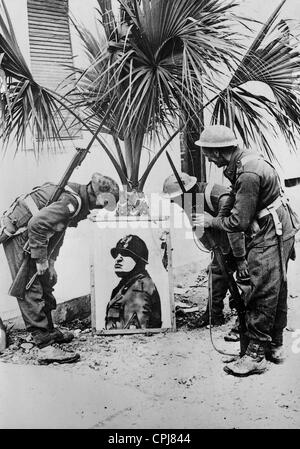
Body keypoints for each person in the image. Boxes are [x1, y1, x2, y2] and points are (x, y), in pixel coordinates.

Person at [194, 124, 299, 376]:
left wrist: (211, 221)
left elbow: (239, 222)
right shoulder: (244, 160)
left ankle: (255, 355)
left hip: (271, 230)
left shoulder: (247, 173)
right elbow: (236, 198)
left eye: (208, 152)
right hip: (278, 225)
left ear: (219, 152)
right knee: (277, 285)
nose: (207, 157)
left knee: (261, 288)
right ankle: (274, 346)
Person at [0, 172, 119, 364]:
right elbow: (36, 225)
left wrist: (51, 261)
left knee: (45, 281)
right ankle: (44, 346)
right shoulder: (72, 202)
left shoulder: (76, 199)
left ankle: (49, 331)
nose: (102, 207)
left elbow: (57, 230)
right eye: (104, 203)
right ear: (98, 197)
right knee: (31, 287)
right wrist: (40, 259)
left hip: (34, 237)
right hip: (22, 235)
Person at [162, 173, 248, 332]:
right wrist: (216, 249)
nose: (174, 203)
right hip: (224, 242)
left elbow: (236, 228)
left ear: (186, 192)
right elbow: (199, 230)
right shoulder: (190, 201)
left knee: (247, 277)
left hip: (245, 240)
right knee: (216, 272)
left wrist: (241, 259)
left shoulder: (216, 196)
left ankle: (247, 317)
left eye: (175, 199)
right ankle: (214, 315)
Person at [105, 234, 162, 330]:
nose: (118, 258)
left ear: (139, 261)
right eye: (117, 254)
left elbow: (136, 334)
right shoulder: (128, 286)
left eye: (125, 254)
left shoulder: (139, 289)